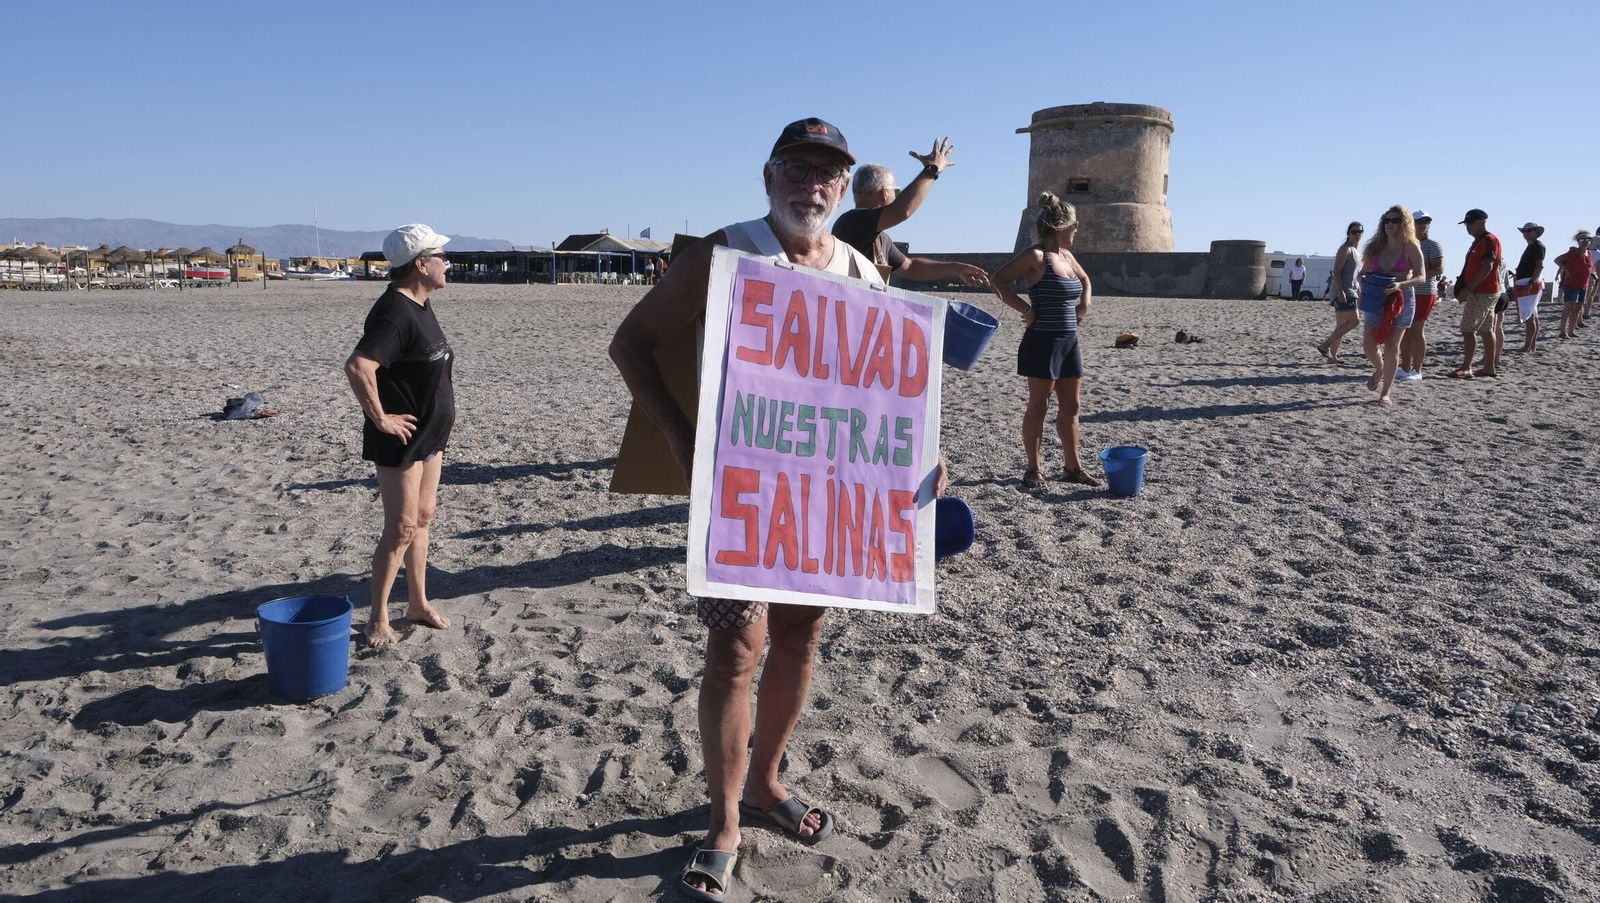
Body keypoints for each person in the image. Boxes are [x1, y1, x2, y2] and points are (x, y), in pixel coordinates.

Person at [609, 118, 889, 903]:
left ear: (843, 186)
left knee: (802, 632)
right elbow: (631, 342)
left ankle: (767, 782)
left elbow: (885, 388)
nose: (813, 183)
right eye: (797, 168)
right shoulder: (724, 253)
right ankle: (725, 820)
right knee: (736, 649)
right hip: (742, 490)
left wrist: (920, 459)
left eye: (827, 172)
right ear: (769, 177)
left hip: (827, 494)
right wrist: (679, 433)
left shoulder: (865, 271)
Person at [343, 224, 456, 647]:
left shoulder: (421, 304)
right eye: (442, 256)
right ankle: (377, 619)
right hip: (402, 440)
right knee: (402, 528)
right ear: (420, 264)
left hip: (430, 436)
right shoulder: (394, 312)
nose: (449, 263)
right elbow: (359, 367)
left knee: (423, 520)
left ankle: (418, 604)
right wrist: (381, 419)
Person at [989, 192, 1103, 488]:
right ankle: (1033, 469)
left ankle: (1072, 468)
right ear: (1061, 226)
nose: (1077, 232)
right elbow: (996, 281)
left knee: (1072, 406)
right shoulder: (1035, 256)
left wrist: (1085, 303)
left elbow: (1086, 279)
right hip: (1043, 342)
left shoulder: (1067, 256)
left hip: (1069, 342)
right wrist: (1026, 310)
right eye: (1075, 226)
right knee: (1039, 404)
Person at [831, 140, 989, 289]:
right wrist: (932, 170)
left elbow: (910, 267)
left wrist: (957, 269)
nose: (898, 196)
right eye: (896, 191)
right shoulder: (852, 222)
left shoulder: (880, 238)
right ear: (885, 193)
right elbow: (902, 210)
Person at [1355, 205, 1425, 404]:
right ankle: (1380, 369)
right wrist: (1363, 280)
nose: (1390, 224)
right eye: (1387, 220)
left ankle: (1385, 392)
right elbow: (1362, 272)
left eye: (1395, 220)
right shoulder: (1375, 245)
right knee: (1369, 345)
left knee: (1392, 346)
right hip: (1376, 298)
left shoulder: (1411, 246)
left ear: (1404, 223)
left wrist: (1400, 284)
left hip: (1401, 299)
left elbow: (1421, 277)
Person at [1452, 209, 1504, 379]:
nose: (1468, 227)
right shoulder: (1479, 241)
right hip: (1485, 290)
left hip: (1483, 291)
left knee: (1468, 329)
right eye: (1467, 224)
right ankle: (1489, 367)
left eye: (1471, 223)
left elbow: (1487, 266)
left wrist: (1469, 289)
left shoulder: (1488, 240)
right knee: (1486, 330)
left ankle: (1467, 367)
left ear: (1482, 221)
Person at [1397, 211, 1444, 379]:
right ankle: (1405, 367)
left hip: (1424, 292)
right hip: (1407, 291)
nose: (1423, 224)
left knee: (1416, 331)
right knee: (1404, 331)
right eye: (1419, 221)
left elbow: (1439, 268)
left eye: (1426, 221)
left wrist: (1416, 274)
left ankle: (1417, 370)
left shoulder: (1432, 245)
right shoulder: (1405, 243)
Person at [1319, 222, 1364, 363]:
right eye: (1354, 231)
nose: (1357, 234)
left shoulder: (1356, 252)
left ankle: (1332, 357)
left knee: (1341, 325)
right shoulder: (1345, 249)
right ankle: (1325, 345)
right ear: (1349, 233)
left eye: (1360, 231)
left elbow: (1354, 275)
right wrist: (1341, 291)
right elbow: (1337, 271)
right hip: (1343, 291)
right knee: (1354, 321)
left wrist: (1358, 289)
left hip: (1351, 290)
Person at [1512, 222, 1547, 352]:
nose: (1527, 233)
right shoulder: (1532, 246)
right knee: (1533, 314)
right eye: (1525, 231)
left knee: (1529, 316)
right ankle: (1532, 345)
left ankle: (1528, 346)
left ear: (1536, 232)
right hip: (1527, 281)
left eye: (1530, 230)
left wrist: (1530, 283)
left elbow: (1540, 265)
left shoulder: (1537, 246)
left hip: (1528, 282)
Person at [1554, 231, 1594, 339]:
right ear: (1578, 241)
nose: (1585, 242)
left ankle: (1571, 331)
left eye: (1587, 239)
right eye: (1582, 239)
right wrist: (1566, 271)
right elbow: (1557, 260)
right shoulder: (1574, 252)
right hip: (1572, 283)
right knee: (1569, 307)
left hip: (1583, 285)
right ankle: (1563, 331)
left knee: (1578, 308)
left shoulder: (1589, 253)